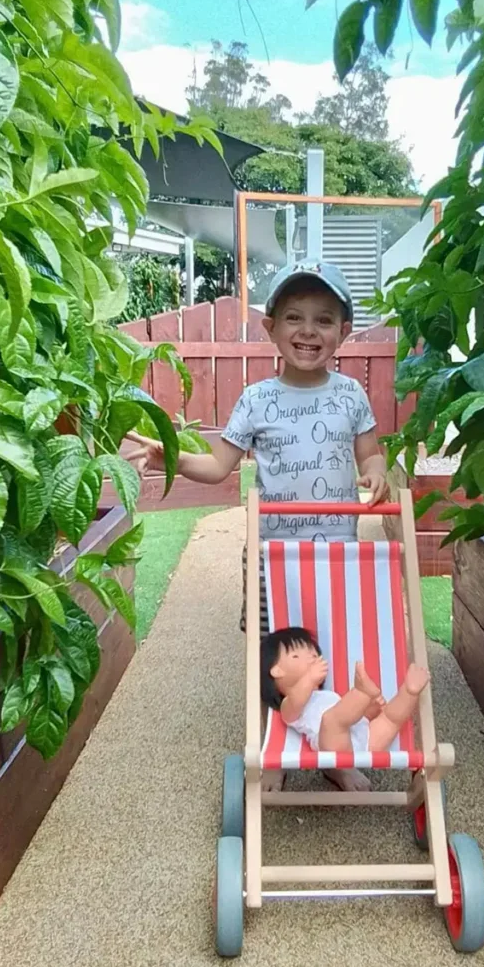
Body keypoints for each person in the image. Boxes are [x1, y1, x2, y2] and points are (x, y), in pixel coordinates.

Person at [126, 260, 388, 792]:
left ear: (342, 331)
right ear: (269, 328)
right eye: (294, 317)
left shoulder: (351, 396)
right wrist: (168, 457)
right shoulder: (256, 400)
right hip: (272, 555)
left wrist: (376, 471)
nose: (308, 331)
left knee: (330, 649)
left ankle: (333, 753)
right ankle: (277, 745)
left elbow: (371, 454)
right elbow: (219, 465)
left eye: (323, 320)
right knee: (272, 655)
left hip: (335, 554)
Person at [261, 627, 429, 756]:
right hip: (333, 747)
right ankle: (361, 693)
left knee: (390, 719)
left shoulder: (325, 695)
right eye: (296, 656)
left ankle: (409, 691)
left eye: (313, 653)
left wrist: (368, 711)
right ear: (277, 671)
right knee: (331, 720)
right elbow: (298, 698)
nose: (312, 657)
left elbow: (352, 718)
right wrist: (310, 678)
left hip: (364, 741)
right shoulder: (287, 706)